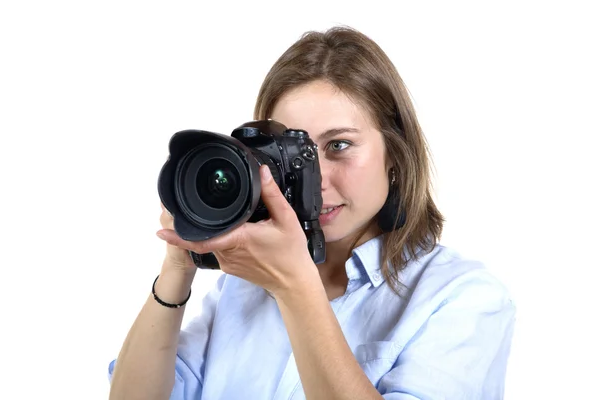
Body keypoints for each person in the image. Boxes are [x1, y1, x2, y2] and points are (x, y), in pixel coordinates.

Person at [107, 26, 516, 400]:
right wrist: (178, 267)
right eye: (292, 154)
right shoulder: (241, 288)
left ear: (395, 152)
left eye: (338, 145)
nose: (313, 180)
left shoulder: (463, 297)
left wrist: (295, 287)